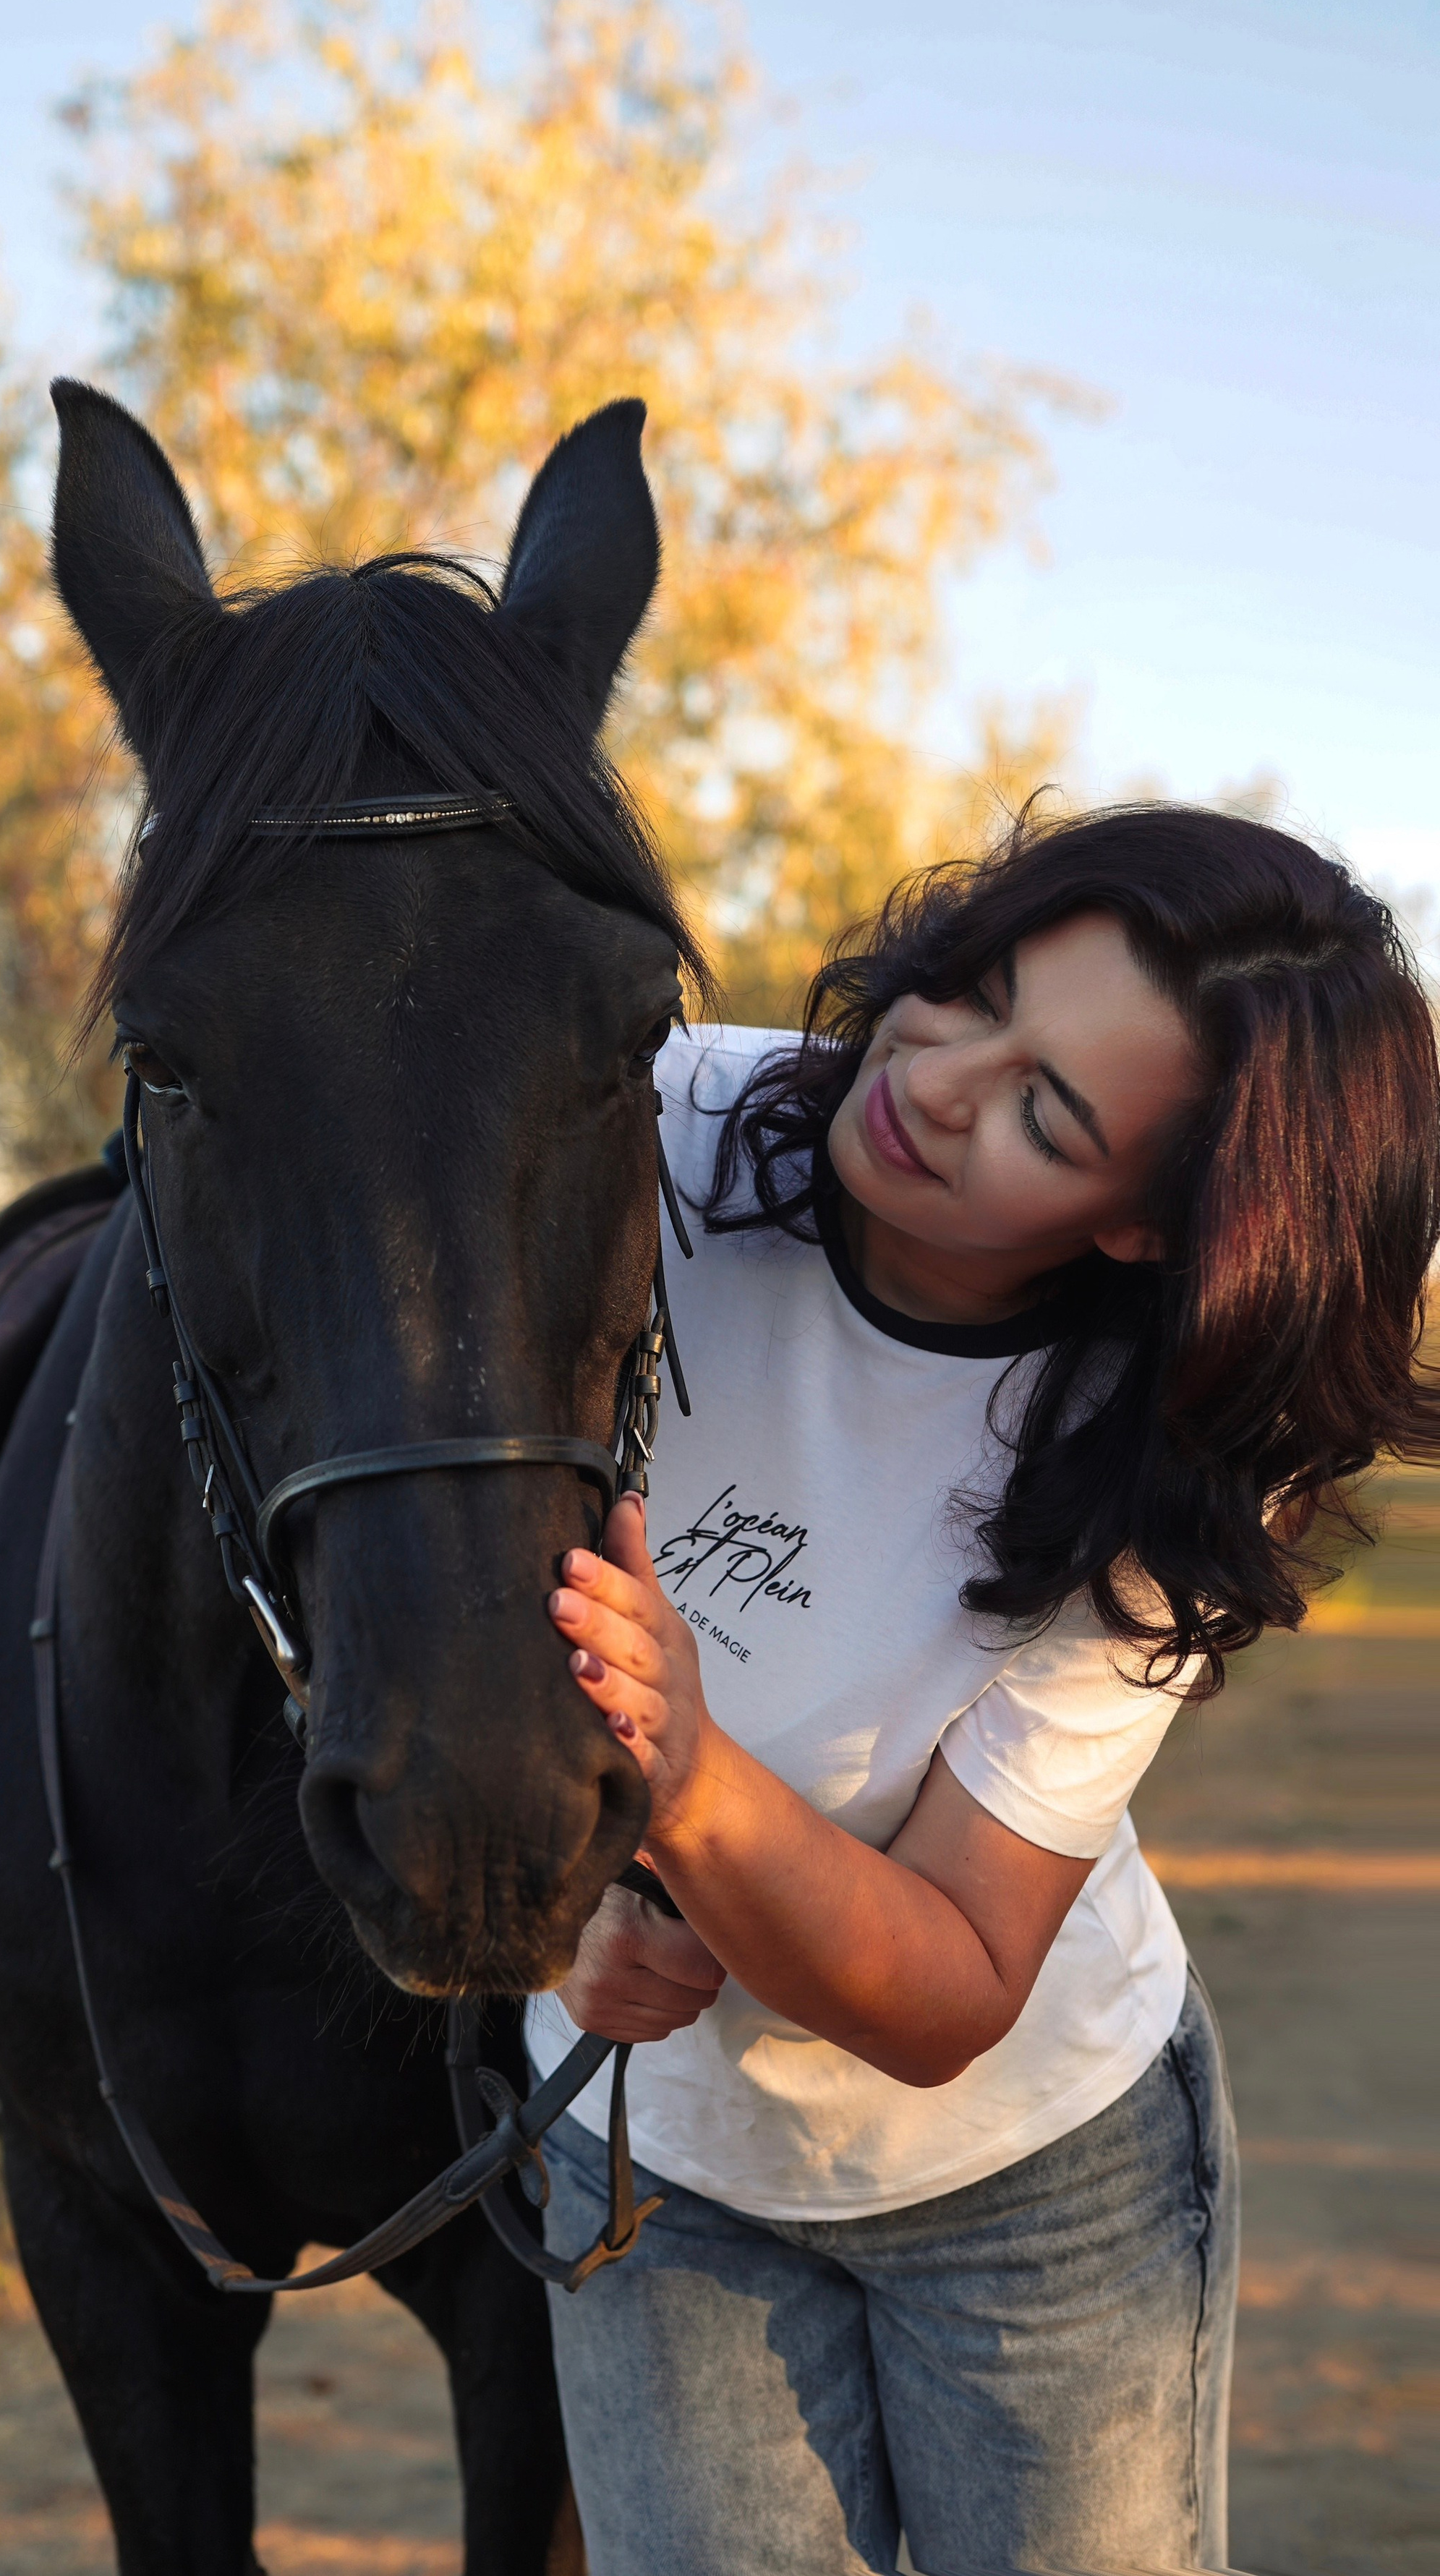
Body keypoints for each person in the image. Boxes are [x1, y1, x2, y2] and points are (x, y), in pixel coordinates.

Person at [527, 805, 1440, 2576]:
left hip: (1029, 2195)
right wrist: (557, 1909)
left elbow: (948, 1984)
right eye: (968, 992)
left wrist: (693, 1781)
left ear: (1146, 1230)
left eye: (1048, 1111)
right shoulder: (664, 1125)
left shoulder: (1170, 1451)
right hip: (658, 2172)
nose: (930, 1079)